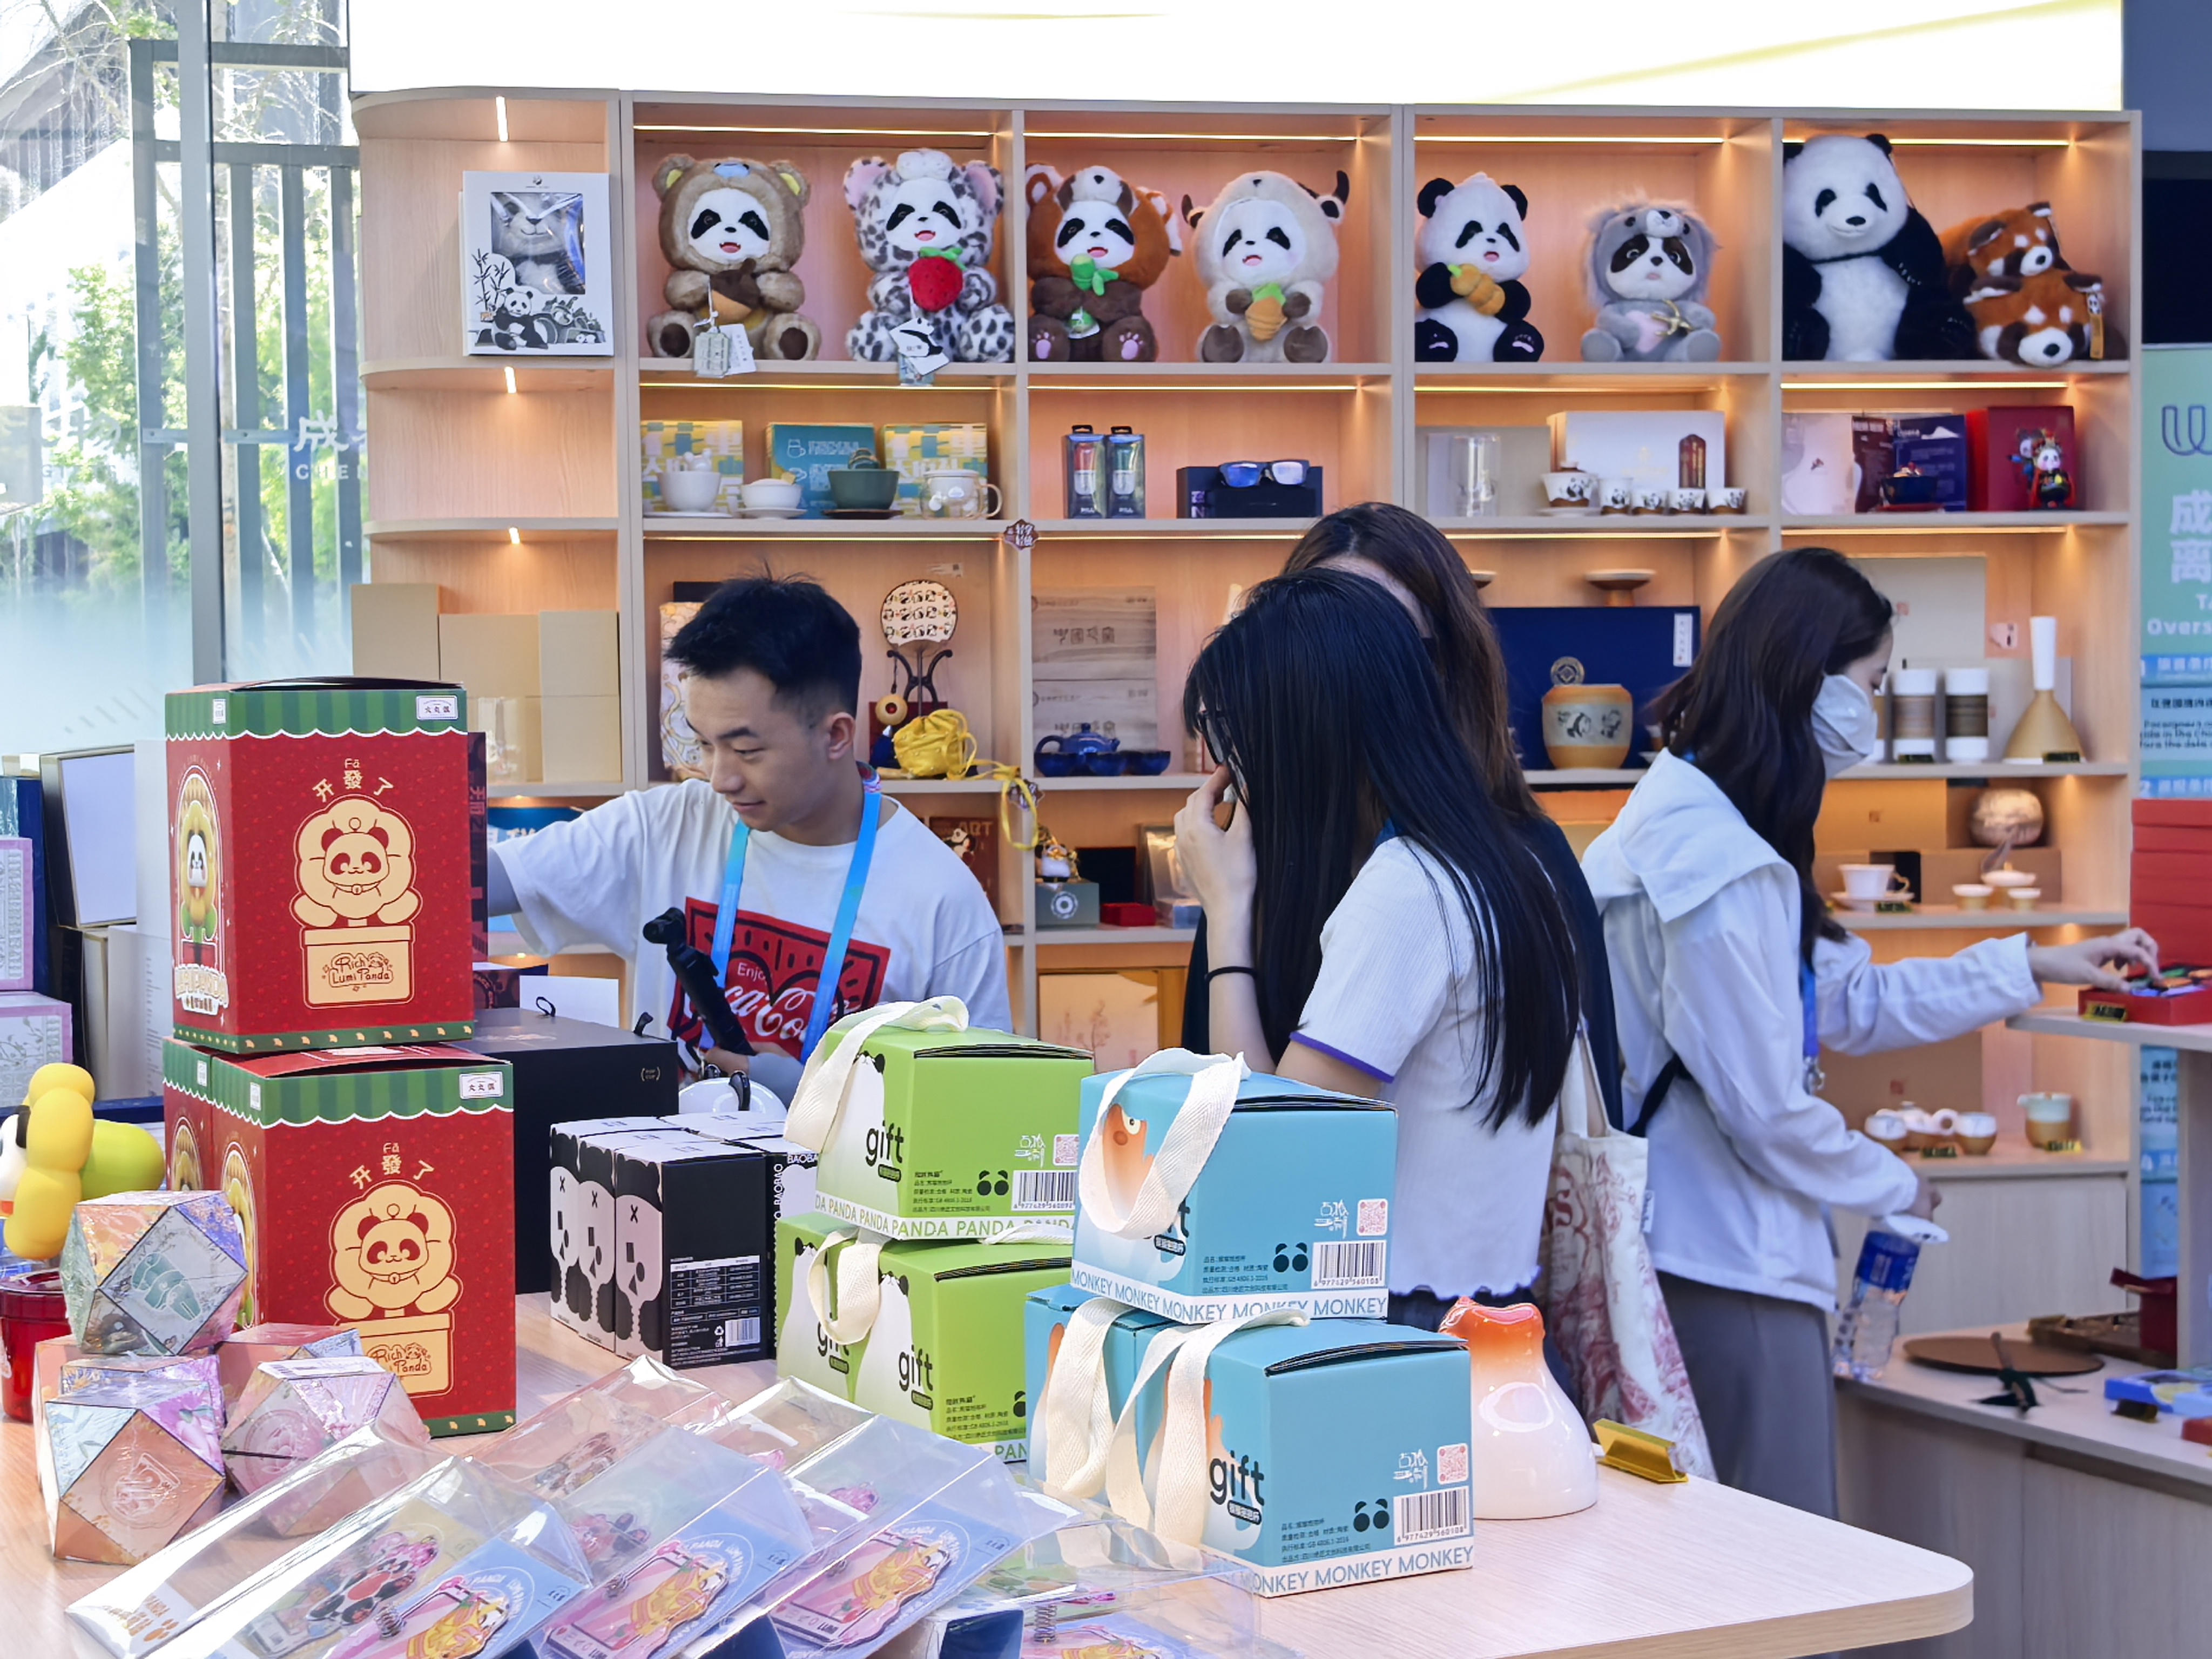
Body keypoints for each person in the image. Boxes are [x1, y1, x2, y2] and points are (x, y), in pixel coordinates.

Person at [1580, 547, 2157, 1516]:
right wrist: (1891, 1183)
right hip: (1726, 1264)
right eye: (1875, 682)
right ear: (1809, 678)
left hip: (1698, 1251)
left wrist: (2033, 963)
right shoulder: (1718, 866)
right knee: (1779, 1561)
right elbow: (1764, 1109)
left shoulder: (1715, 825)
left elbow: (1851, 1001)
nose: (1878, 709)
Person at [1172, 567, 1586, 1331]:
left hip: (1402, 1325)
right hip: (1488, 1314)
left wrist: (1226, 910)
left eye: (1232, 734)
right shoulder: (1504, 862)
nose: (1227, 767)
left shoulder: (1408, 890)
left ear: (1305, 735)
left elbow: (1272, 1155)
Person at [1181, 502, 1624, 1139]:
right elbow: (1208, 1094)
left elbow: (1267, 1144)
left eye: (1379, 641)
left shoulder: (1434, 876)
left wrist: (1227, 918)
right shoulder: (1257, 863)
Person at [488, 575, 1010, 1101]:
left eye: (746, 751)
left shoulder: (944, 903)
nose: (719, 779)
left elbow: (980, 1106)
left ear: (835, 735)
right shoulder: (664, 826)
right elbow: (478, 881)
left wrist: (814, 1093)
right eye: (704, 744)